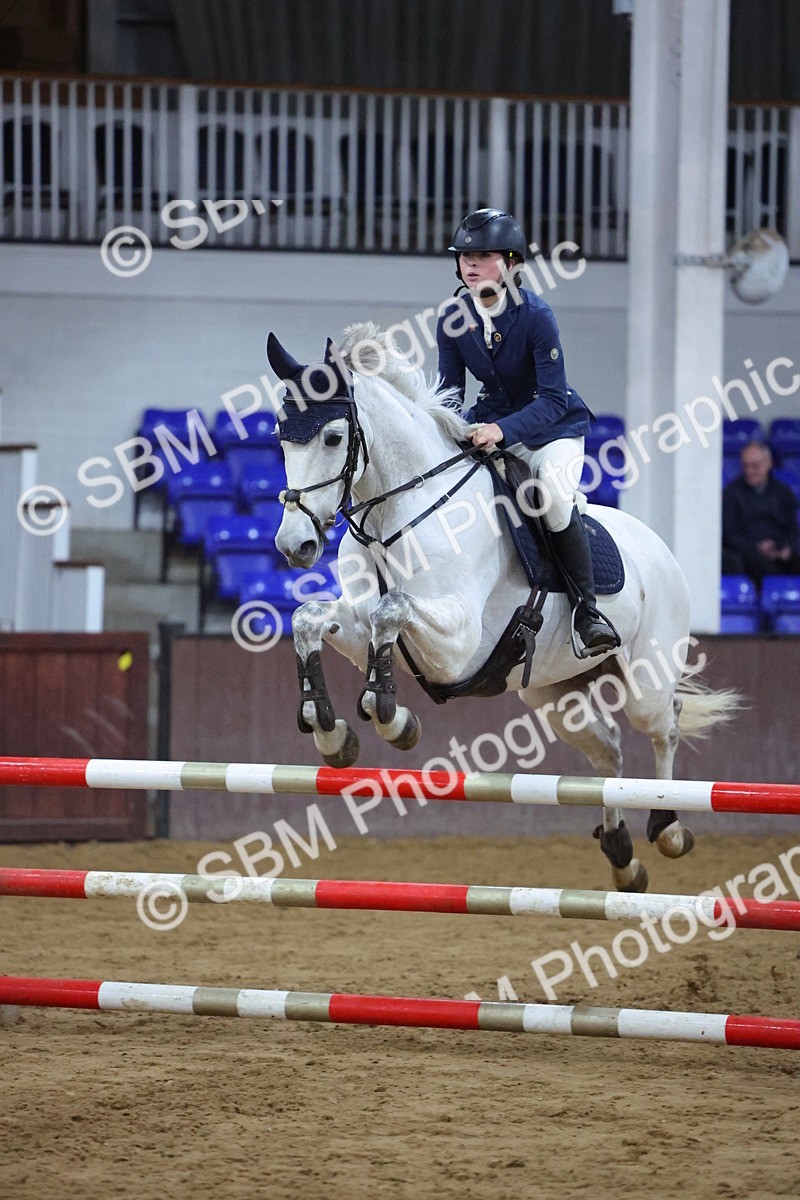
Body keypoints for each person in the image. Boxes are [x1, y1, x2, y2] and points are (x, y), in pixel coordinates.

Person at [436, 207, 618, 656]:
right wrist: (445, 426)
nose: (471, 263)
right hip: (494, 424)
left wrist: (500, 429)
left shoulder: (537, 315)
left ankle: (587, 612)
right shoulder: (452, 318)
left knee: (553, 499)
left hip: (554, 429)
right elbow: (449, 392)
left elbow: (553, 398)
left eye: (485, 254)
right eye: (465, 255)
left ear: (513, 263)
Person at [722, 439, 800, 585]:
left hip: (780, 550)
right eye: (746, 466)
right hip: (749, 553)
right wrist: (756, 547)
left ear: (768, 463)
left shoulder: (784, 492)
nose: (750, 471)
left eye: (755, 466)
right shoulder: (731, 494)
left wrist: (784, 549)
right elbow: (730, 535)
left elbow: (792, 531)